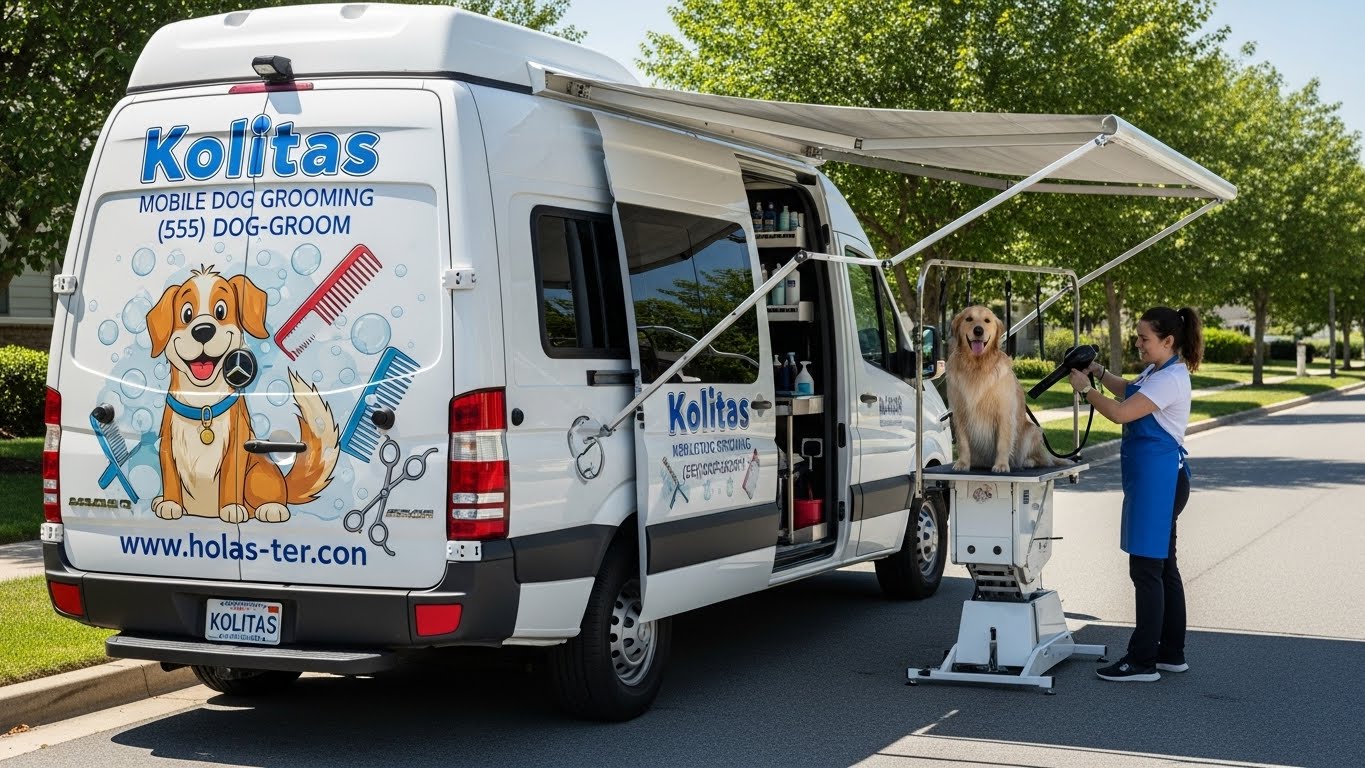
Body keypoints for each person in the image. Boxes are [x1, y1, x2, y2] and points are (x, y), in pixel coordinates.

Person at [1068, 306, 1203, 682]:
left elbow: (1122, 413)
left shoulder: (1170, 379)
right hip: (1159, 482)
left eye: (1145, 339)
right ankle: (1170, 652)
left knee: (1146, 571)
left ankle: (1142, 661)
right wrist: (1099, 373)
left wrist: (1086, 390)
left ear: (1168, 341)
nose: (1138, 344)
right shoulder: (1160, 371)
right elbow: (1130, 390)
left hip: (1158, 486)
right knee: (1163, 569)